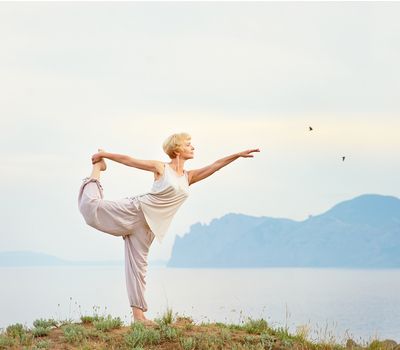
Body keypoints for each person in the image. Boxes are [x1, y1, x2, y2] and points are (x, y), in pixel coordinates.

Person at [78, 132, 260, 324]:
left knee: (138, 269)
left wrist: (237, 155)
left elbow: (214, 166)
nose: (193, 147)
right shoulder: (161, 168)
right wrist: (104, 156)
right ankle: (97, 169)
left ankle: (139, 317)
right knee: (90, 208)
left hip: (149, 227)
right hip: (137, 210)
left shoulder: (189, 177)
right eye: (189, 144)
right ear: (178, 149)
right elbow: (130, 161)